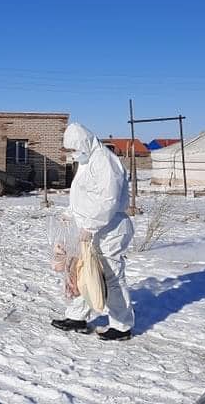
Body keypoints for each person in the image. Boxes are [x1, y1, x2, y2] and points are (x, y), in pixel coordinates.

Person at [51, 123, 136, 341]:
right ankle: (77, 317)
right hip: (88, 230)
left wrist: (90, 226)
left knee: (111, 277)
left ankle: (121, 325)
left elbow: (108, 200)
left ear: (85, 142)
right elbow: (83, 195)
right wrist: (69, 214)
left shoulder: (105, 162)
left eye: (74, 148)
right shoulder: (87, 160)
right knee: (84, 272)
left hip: (109, 230)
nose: (73, 154)